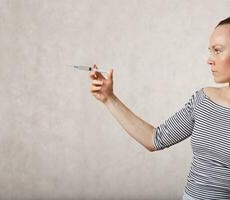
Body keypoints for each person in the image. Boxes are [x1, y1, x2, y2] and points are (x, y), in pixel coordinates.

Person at [89, 16, 230, 200]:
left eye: (217, 51)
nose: (209, 60)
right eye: (210, 51)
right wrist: (109, 99)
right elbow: (155, 138)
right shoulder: (202, 100)